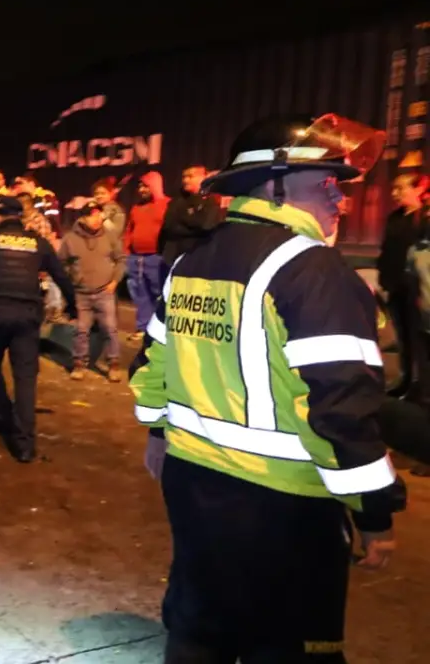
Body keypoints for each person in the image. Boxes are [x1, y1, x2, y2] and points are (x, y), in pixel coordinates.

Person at [129, 114, 407, 662]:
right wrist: (375, 511)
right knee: (291, 647)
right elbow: (341, 408)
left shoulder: (191, 261)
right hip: (284, 508)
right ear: (274, 186)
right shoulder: (314, 271)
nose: (341, 199)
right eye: (327, 183)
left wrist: (159, 434)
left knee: (199, 629)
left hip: (192, 483)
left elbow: (152, 365)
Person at [0, 195, 76, 461]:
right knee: (25, 378)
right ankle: (25, 446)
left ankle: (1, 411)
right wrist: (74, 306)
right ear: (20, 216)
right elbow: (61, 275)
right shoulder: (38, 242)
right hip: (28, 317)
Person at [58, 201, 125, 382]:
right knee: (81, 330)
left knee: (110, 329)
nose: (97, 219)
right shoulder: (70, 239)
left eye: (99, 214)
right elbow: (61, 263)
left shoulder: (109, 236)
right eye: (92, 215)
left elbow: (120, 259)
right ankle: (79, 363)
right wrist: (73, 278)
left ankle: (113, 364)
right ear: (83, 217)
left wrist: (114, 281)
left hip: (105, 291)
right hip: (81, 293)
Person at [379, 171, 428, 400]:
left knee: (420, 340)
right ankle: (407, 380)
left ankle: (421, 387)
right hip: (396, 287)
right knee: (403, 340)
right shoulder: (395, 217)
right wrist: (384, 279)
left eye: (401, 188)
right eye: (394, 189)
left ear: (418, 189)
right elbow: (387, 251)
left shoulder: (424, 219)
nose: (395, 194)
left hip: (418, 291)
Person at [123, 171, 170, 341]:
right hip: (136, 258)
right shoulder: (136, 208)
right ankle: (143, 328)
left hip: (156, 258)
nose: (142, 190)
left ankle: (160, 330)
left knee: (160, 294)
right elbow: (129, 231)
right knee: (140, 294)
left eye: (146, 186)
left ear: (155, 186)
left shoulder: (167, 204)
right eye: (140, 186)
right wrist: (126, 252)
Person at [158, 164, 222, 266]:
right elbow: (170, 226)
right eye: (184, 177)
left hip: (200, 257)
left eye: (190, 177)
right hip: (175, 257)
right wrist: (194, 223)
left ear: (204, 177)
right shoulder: (177, 201)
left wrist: (184, 219)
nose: (185, 180)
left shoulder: (212, 200)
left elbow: (206, 225)